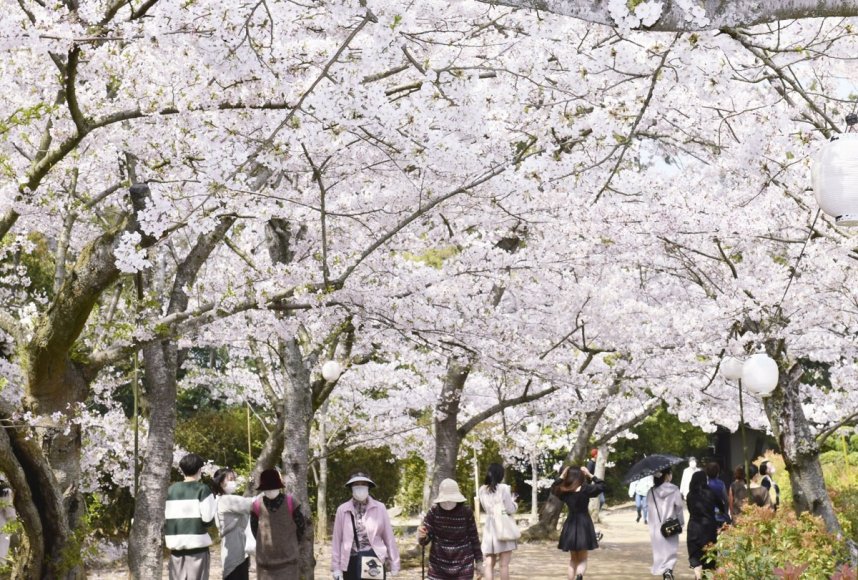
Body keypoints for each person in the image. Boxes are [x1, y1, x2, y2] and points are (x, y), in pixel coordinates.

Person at [332, 471, 400, 580]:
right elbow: (337, 540)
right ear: (351, 488)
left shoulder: (380, 508)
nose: (360, 487)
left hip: (374, 559)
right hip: (351, 561)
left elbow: (389, 537)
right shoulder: (343, 510)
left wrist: (394, 563)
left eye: (363, 484)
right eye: (356, 484)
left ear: (368, 487)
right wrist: (336, 568)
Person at [417, 478, 483, 579]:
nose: (447, 503)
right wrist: (422, 535)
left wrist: (479, 562)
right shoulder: (434, 511)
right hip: (438, 565)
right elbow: (425, 539)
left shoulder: (466, 511)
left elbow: (474, 538)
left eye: (451, 499)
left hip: (464, 564)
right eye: (445, 500)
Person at [165, 453, 216, 580]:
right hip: (197, 548)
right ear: (199, 470)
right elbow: (208, 519)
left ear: (182, 470)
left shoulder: (170, 490)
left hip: (175, 549)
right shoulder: (203, 489)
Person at [251, 469, 306, 579]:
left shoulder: (291, 503)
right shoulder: (256, 505)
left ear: (279, 487)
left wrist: (292, 543)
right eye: (267, 489)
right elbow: (254, 530)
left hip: (289, 564)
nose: (270, 491)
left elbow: (301, 526)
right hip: (265, 566)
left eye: (273, 487)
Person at [553, 464, 605, 580]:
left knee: (573, 560)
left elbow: (553, 488)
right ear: (581, 476)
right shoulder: (586, 489)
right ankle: (579, 575)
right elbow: (602, 486)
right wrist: (590, 475)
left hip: (570, 525)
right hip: (584, 524)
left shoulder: (564, 491)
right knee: (583, 559)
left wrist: (562, 476)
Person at [211, 468, 254, 580]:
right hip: (234, 551)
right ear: (221, 483)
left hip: (238, 549)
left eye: (234, 479)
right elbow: (250, 503)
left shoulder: (222, 499)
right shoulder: (226, 500)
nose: (233, 482)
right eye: (230, 479)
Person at [478, 463, 517, 580]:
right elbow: (510, 509)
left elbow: (485, 508)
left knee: (489, 564)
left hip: (490, 526)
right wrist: (515, 503)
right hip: (503, 525)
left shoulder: (481, 490)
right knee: (504, 565)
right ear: (500, 474)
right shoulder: (504, 488)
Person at [647, 467, 684, 580]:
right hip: (670, 524)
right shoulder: (674, 489)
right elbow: (679, 507)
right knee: (671, 548)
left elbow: (649, 509)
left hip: (656, 526)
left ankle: (662, 568)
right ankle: (668, 570)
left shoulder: (651, 492)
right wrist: (680, 522)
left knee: (659, 550)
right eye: (670, 473)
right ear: (667, 475)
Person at [686, 471, 723, 579]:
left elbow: (690, 510)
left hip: (693, 528)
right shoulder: (710, 493)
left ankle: (698, 576)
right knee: (709, 557)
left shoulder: (690, 495)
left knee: (695, 558)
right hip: (709, 528)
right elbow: (721, 506)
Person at [705, 462, 730, 529]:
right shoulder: (721, 483)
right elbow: (726, 500)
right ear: (717, 472)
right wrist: (726, 512)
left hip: (708, 516)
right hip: (720, 516)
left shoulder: (705, 484)